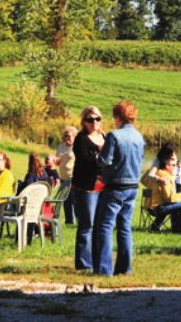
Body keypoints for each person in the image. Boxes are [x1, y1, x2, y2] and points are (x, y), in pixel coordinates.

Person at [95, 100, 145, 276]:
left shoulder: (114, 135)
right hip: (132, 186)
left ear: (118, 117)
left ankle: (104, 269)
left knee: (105, 225)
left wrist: (99, 153)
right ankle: (124, 268)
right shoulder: (139, 137)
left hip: (115, 186)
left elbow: (104, 161)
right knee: (124, 227)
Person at [71, 106, 105, 271]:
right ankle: (84, 264)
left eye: (97, 119)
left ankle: (98, 261)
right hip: (86, 187)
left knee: (100, 225)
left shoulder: (105, 137)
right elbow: (86, 161)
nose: (94, 122)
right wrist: (103, 162)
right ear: (84, 121)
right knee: (87, 225)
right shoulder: (81, 139)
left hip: (104, 187)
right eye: (90, 119)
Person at [141, 153, 181, 233]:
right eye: (174, 165)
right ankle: (178, 229)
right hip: (158, 209)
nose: (176, 167)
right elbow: (169, 198)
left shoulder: (154, 173)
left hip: (148, 207)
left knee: (175, 203)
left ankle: (155, 226)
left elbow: (143, 180)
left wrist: (152, 169)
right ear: (167, 165)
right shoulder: (166, 176)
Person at [56, 126, 77, 224]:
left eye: (69, 136)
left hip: (73, 177)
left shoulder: (77, 147)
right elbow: (58, 160)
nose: (67, 138)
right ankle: (69, 222)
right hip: (63, 177)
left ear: (74, 136)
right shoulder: (61, 146)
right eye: (66, 136)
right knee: (66, 200)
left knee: (74, 200)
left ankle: (79, 221)